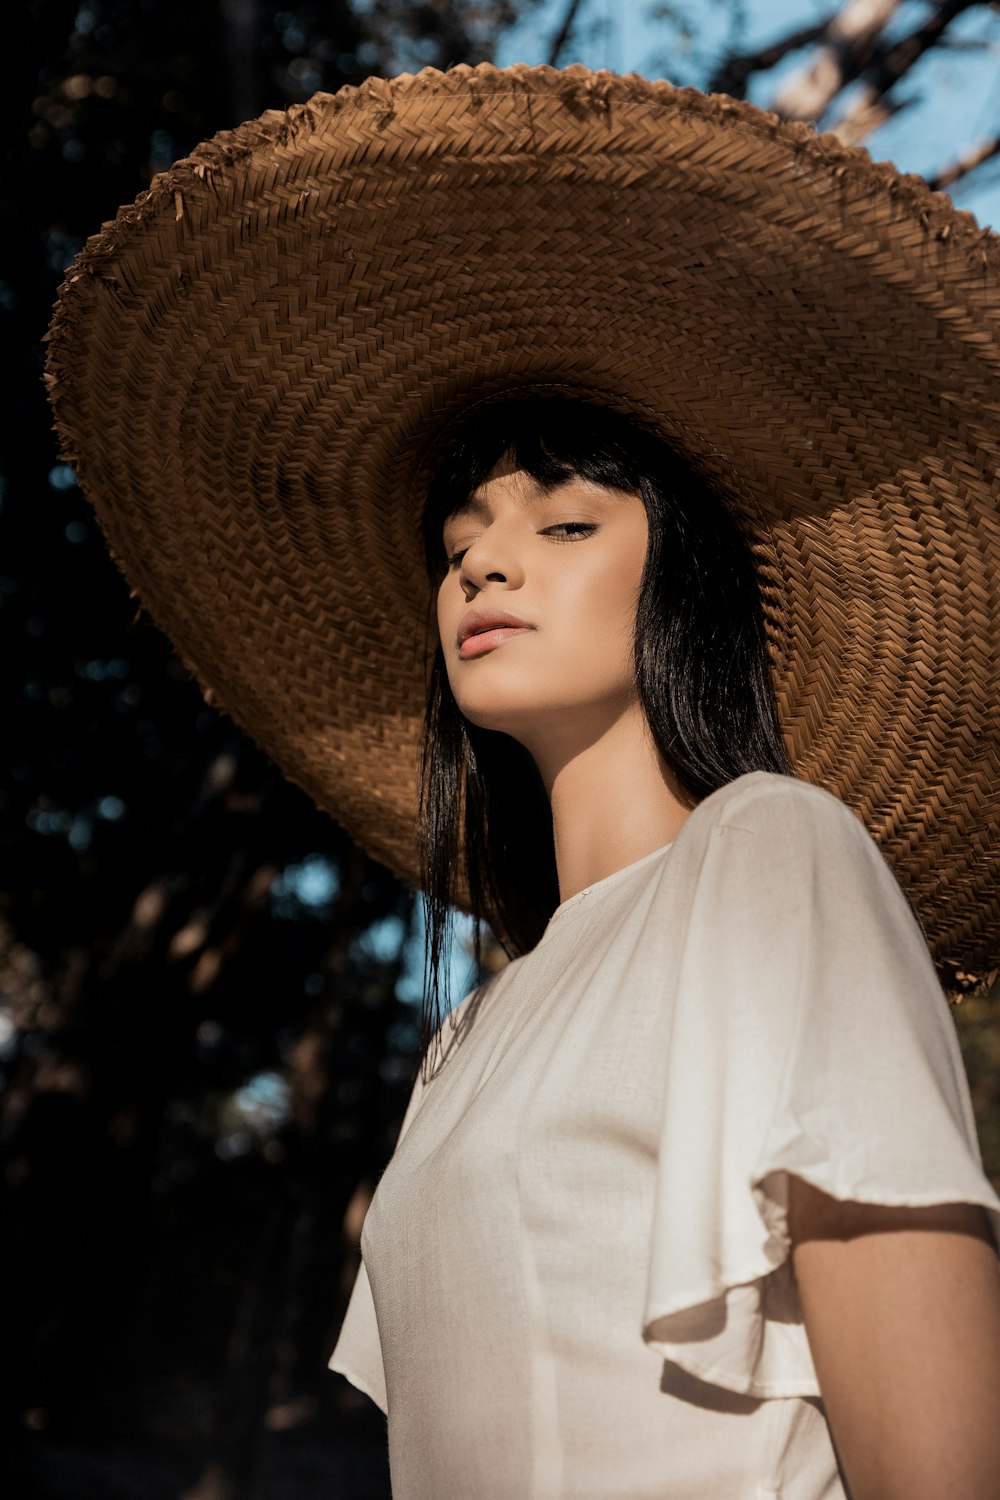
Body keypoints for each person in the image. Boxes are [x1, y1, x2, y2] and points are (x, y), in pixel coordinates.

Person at [46, 62, 1000, 1500]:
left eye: (563, 522)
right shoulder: (473, 1031)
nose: (483, 560)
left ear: (679, 584)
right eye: (460, 536)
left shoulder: (776, 858)